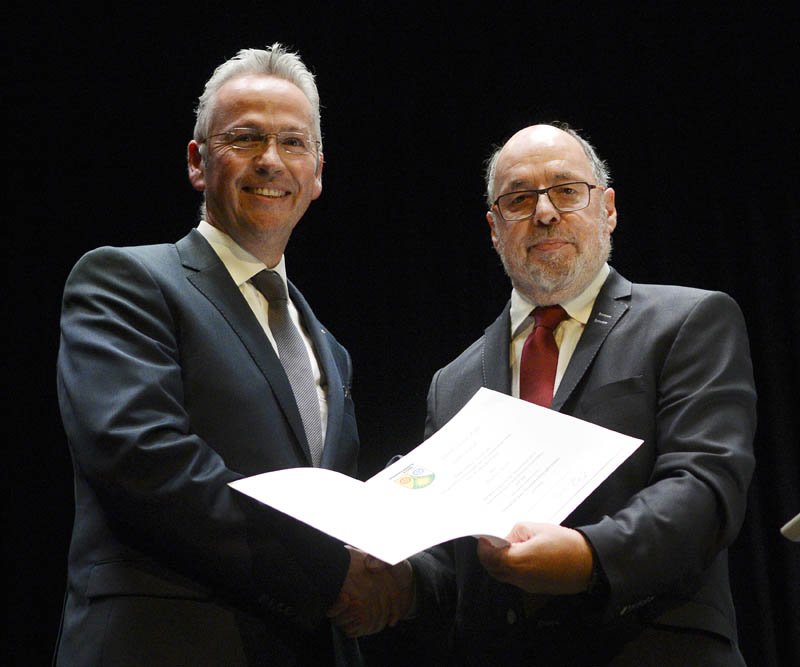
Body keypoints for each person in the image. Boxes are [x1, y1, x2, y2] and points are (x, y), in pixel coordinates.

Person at [54, 44, 404, 666]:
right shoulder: (125, 280)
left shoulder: (330, 350)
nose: (271, 161)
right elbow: (145, 460)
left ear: (318, 172)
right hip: (166, 643)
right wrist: (328, 574)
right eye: (245, 139)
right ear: (197, 162)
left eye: (293, 143)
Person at [399, 123, 757, 665]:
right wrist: (394, 578)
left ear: (607, 209)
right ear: (494, 229)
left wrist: (591, 557)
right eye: (519, 199)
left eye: (566, 191)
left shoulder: (689, 321)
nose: (544, 212)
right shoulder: (453, 383)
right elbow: (451, 561)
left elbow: (706, 488)